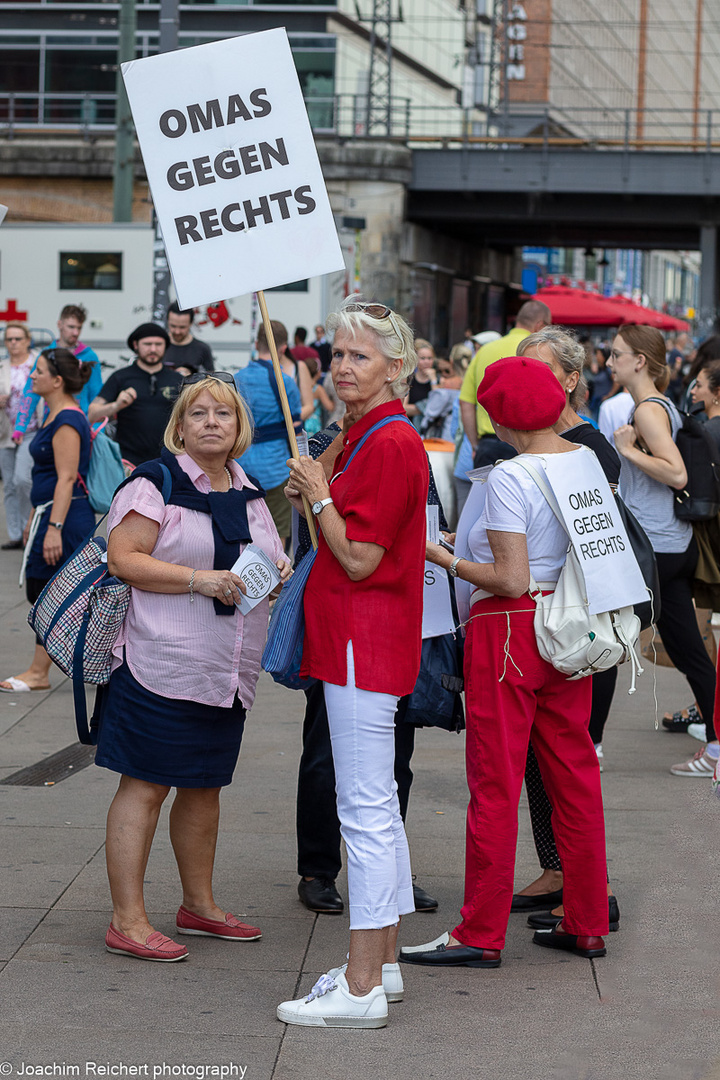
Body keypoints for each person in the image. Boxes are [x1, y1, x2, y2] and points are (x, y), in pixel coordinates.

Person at [400, 356, 609, 971]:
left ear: (498, 414)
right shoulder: (584, 462)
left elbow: (509, 578)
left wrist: (440, 556)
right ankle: (587, 921)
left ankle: (480, 932)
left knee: (495, 784)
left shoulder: (511, 477)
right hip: (570, 629)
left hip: (509, 630)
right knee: (574, 774)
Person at [94, 372, 291, 962]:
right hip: (161, 659)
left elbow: (270, 554)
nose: (211, 422)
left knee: (205, 788)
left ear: (240, 429)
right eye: (199, 413)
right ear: (179, 427)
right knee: (146, 785)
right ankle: (127, 921)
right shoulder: (155, 483)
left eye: (224, 415)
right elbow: (122, 558)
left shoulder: (250, 488)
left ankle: (198, 906)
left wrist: (275, 572)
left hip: (226, 669)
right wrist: (197, 580)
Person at [276, 298, 428, 1029]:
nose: (341, 366)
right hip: (361, 639)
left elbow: (360, 557)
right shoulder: (368, 433)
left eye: (358, 355)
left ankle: (362, 985)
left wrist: (320, 494)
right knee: (377, 811)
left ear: (394, 367)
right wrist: (325, 475)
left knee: (364, 811)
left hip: (362, 641)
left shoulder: (391, 440)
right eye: (336, 354)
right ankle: (383, 965)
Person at [509, 328, 621, 926]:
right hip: (551, 629)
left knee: (571, 766)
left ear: (572, 380)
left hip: (573, 630)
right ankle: (560, 873)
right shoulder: (537, 447)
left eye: (541, 372)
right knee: (541, 762)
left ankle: (589, 894)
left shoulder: (585, 450)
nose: (523, 382)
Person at [609, 324, 718, 776]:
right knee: (686, 647)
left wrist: (627, 450)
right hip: (669, 544)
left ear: (640, 361)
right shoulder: (659, 406)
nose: (610, 361)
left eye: (617, 355)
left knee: (603, 638)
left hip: (654, 547)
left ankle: (587, 746)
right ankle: (716, 747)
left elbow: (676, 474)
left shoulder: (649, 412)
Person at [0, 348, 95, 693]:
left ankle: (40, 672)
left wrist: (53, 529)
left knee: (51, 593)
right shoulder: (54, 414)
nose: (32, 376)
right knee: (42, 591)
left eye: (38, 371)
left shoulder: (69, 419)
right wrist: (32, 521)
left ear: (57, 381)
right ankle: (58, 661)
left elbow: (66, 478)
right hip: (48, 515)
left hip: (66, 519)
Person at [233, 322, 302, 547]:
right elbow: (295, 424)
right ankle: (275, 580)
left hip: (241, 465)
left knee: (244, 529)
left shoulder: (236, 379)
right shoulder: (286, 383)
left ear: (256, 344)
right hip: (276, 466)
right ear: (283, 349)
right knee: (278, 531)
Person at [459, 301, 551, 467]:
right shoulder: (540, 351)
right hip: (528, 446)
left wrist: (475, 444)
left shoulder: (485, 350)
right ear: (540, 325)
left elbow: (466, 403)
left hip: (488, 445)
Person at [88, 323, 183, 466]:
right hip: (128, 462)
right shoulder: (120, 377)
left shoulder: (177, 379)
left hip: (170, 461)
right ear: (135, 345)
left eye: (158, 344)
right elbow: (92, 415)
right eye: (147, 344)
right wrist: (116, 406)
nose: (153, 349)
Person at [12, 304, 103, 439]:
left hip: (81, 425)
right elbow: (30, 391)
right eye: (71, 327)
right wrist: (20, 427)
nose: (75, 333)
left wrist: (96, 429)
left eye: (79, 328)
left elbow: (98, 396)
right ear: (59, 324)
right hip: (51, 423)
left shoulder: (89, 356)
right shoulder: (47, 354)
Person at [0, 322, 41, 549]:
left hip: (32, 431)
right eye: (9, 339)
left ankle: (29, 528)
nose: (13, 343)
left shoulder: (37, 363)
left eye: (18, 338)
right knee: (9, 485)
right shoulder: (2, 365)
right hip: (5, 433)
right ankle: (15, 534)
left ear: (27, 340)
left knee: (23, 479)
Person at [164, 301, 214, 375]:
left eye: (182, 327)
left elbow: (211, 381)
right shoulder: (157, 346)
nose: (177, 331)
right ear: (167, 321)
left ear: (191, 323)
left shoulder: (202, 349)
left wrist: (191, 376)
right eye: (173, 326)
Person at [404, 338, 437, 424]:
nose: (426, 362)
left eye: (430, 358)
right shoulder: (409, 380)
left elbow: (437, 405)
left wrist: (433, 381)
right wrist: (425, 408)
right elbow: (404, 408)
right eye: (422, 358)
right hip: (412, 425)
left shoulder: (439, 380)